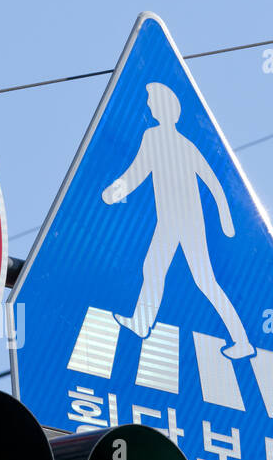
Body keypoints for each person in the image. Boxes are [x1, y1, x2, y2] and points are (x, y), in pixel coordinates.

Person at [101, 82, 254, 360]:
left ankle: (242, 341)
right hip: (169, 219)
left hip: (187, 220)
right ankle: (141, 322)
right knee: (154, 269)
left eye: (151, 101)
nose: (147, 105)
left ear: (162, 107)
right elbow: (138, 172)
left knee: (204, 281)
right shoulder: (158, 138)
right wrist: (115, 192)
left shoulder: (175, 143)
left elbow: (212, 181)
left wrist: (226, 218)